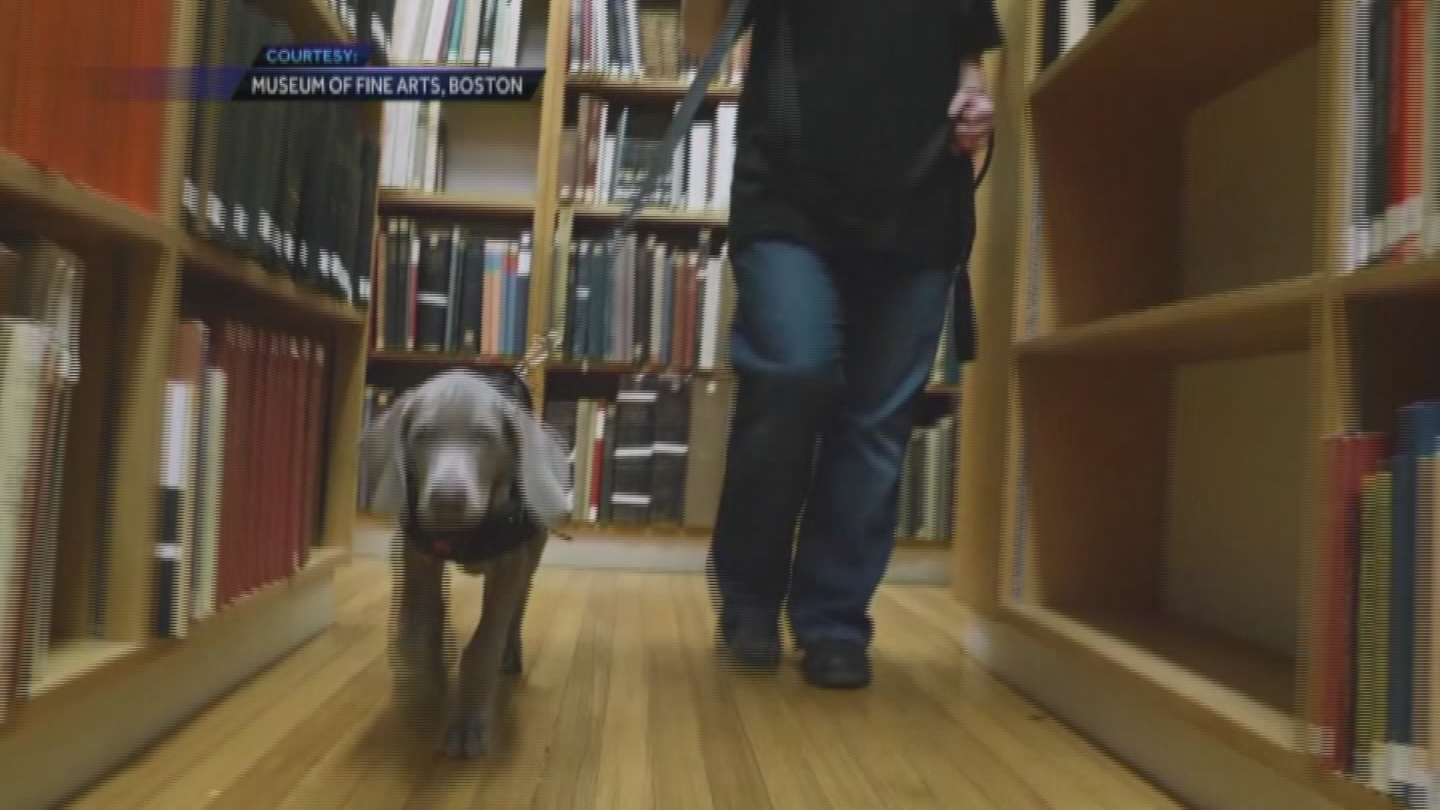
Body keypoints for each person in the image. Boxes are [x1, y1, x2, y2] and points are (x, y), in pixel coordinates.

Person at [687, 0, 1003, 690]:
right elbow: (699, 32)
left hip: (921, 195)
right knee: (791, 371)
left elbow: (968, 49)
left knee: (877, 419)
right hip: (786, 189)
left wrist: (974, 95)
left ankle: (833, 619)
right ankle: (749, 594)